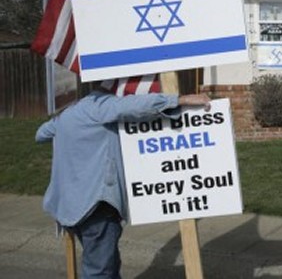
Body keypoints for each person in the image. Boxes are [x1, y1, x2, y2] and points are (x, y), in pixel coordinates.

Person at [35, 85, 211, 279]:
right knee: (100, 270)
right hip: (96, 206)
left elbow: (41, 133)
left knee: (107, 264)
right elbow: (135, 106)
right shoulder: (100, 106)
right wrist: (180, 100)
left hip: (70, 206)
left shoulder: (70, 114)